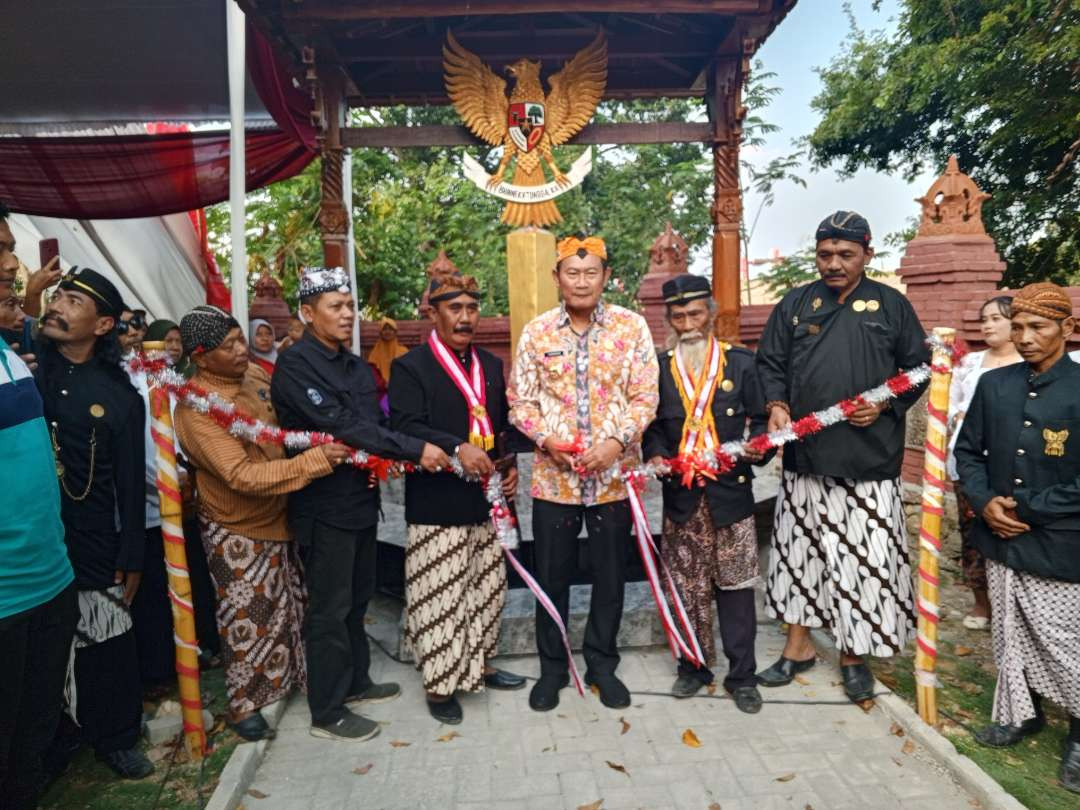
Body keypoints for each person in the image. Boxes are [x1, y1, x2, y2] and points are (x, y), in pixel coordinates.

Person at [755, 211, 929, 704]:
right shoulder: (795, 303)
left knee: (865, 560)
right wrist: (777, 404)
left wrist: (885, 405)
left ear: (868, 255)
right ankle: (798, 648)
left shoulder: (891, 305)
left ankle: (855, 655)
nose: (833, 263)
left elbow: (918, 370)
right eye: (825, 254)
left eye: (845, 255)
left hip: (869, 460)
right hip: (806, 457)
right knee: (797, 556)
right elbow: (769, 364)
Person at [271, 266, 449, 741]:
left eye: (350, 306)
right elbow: (345, 427)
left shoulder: (355, 365)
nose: (348, 314)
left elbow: (370, 425)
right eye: (336, 306)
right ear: (308, 313)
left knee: (356, 599)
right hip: (323, 504)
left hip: (361, 499)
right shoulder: (296, 365)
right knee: (328, 609)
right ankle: (327, 711)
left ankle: (356, 681)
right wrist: (414, 449)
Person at [173, 305, 350, 741]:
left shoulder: (253, 375)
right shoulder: (197, 409)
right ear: (200, 356)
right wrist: (313, 462)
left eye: (239, 339)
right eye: (228, 346)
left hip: (284, 509)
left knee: (290, 607)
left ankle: (292, 682)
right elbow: (240, 475)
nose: (241, 349)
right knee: (248, 619)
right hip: (238, 525)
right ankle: (244, 706)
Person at [508, 233, 659, 713]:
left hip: (614, 479)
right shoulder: (537, 333)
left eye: (590, 272)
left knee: (610, 575)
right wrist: (545, 440)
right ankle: (552, 670)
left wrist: (616, 443)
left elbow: (645, 397)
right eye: (571, 273)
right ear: (557, 279)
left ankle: (602, 665)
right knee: (551, 575)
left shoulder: (630, 328)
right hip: (555, 479)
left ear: (605, 277)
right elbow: (520, 401)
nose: (581, 280)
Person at [955, 282, 1080, 793]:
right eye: (1020, 327)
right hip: (999, 536)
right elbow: (968, 454)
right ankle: (1021, 714)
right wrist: (984, 500)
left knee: (1065, 642)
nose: (1025, 337)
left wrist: (1027, 508)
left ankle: (1079, 735)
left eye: (1039, 327)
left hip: (1061, 541)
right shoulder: (995, 385)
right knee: (1009, 634)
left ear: (1067, 330)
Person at [388, 272, 526, 724]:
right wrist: (454, 447)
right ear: (433, 312)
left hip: (486, 502)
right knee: (440, 595)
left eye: (472, 308)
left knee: (487, 589)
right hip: (436, 504)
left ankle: (481, 666)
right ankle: (440, 686)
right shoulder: (411, 366)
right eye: (455, 309)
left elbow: (501, 428)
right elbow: (404, 427)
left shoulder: (489, 363)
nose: (466, 318)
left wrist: (510, 470)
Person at [35, 267, 153, 779]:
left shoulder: (122, 396)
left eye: (74, 302)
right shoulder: (28, 374)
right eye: (59, 296)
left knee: (107, 640)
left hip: (93, 537)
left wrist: (132, 555)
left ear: (104, 325)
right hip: (32, 536)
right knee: (41, 645)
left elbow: (129, 487)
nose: (58, 305)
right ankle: (52, 737)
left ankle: (116, 736)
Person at [642, 274, 770, 713]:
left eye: (695, 313)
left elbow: (761, 420)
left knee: (736, 586)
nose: (687, 322)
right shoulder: (658, 369)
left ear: (711, 314)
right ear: (669, 320)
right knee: (685, 588)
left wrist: (758, 450)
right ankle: (692, 667)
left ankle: (743, 676)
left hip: (730, 496)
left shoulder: (741, 363)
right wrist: (656, 456)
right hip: (682, 498)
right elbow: (654, 428)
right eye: (678, 316)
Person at [0, 208, 78, 810]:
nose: (11, 266)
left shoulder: (8, 353)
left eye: (9, 248)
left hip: (49, 581)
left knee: (30, 749)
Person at [946, 296, 1022, 630]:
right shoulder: (970, 364)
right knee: (972, 532)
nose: (988, 326)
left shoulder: (1027, 362)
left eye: (996, 319)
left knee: (1011, 529)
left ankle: (1015, 608)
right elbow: (949, 406)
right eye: (984, 320)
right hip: (969, 463)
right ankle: (981, 604)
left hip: (1013, 466)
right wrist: (960, 416)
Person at [367, 316, 407, 384]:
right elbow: (372, 375)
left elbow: (407, 373)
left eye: (390, 329)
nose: (387, 332)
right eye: (384, 329)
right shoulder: (374, 353)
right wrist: (383, 384)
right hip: (381, 391)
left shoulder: (403, 351)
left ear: (395, 332)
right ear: (380, 333)